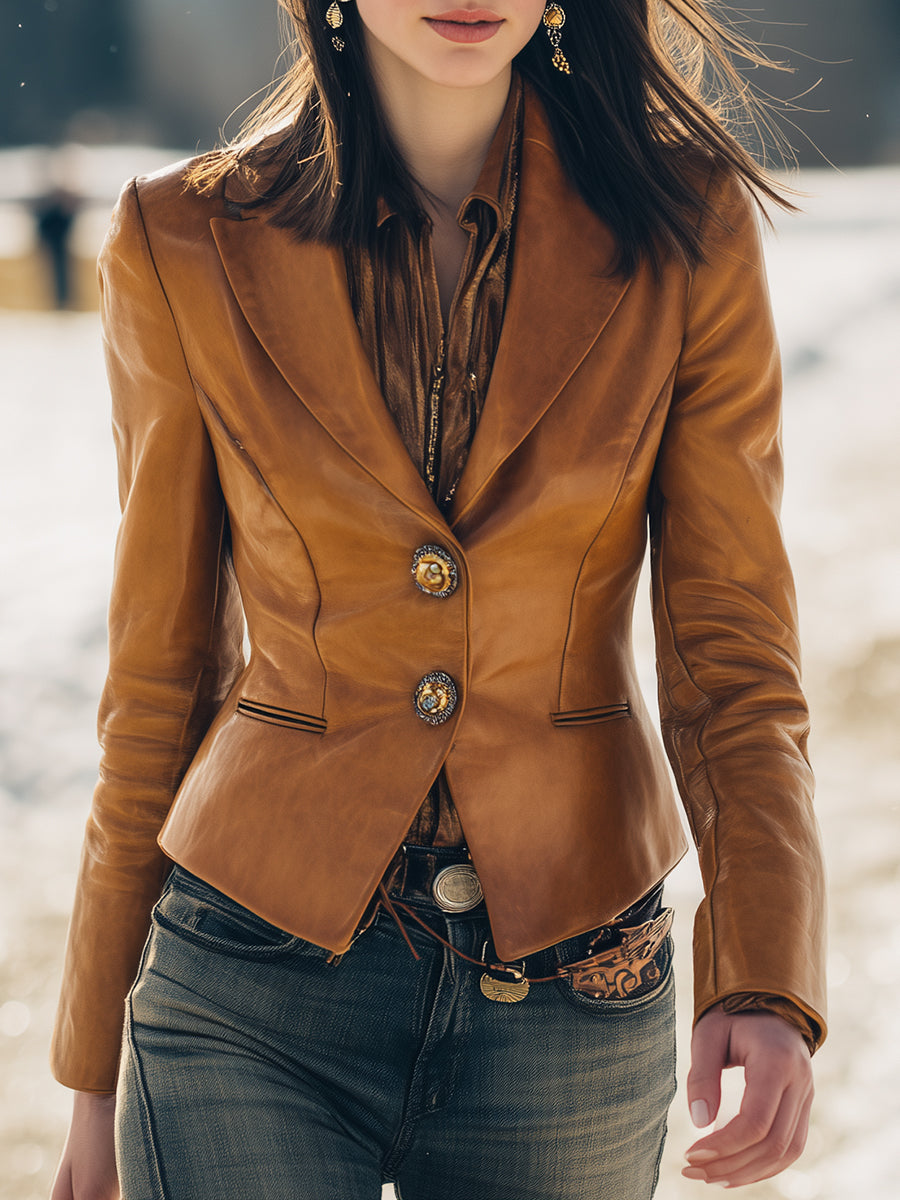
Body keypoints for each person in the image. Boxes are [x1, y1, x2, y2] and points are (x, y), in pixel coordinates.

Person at [49, 2, 827, 1197]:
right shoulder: (183, 236)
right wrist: (95, 1078)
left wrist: (764, 974)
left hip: (575, 981)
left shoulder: (687, 226)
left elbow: (733, 658)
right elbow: (162, 670)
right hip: (244, 979)